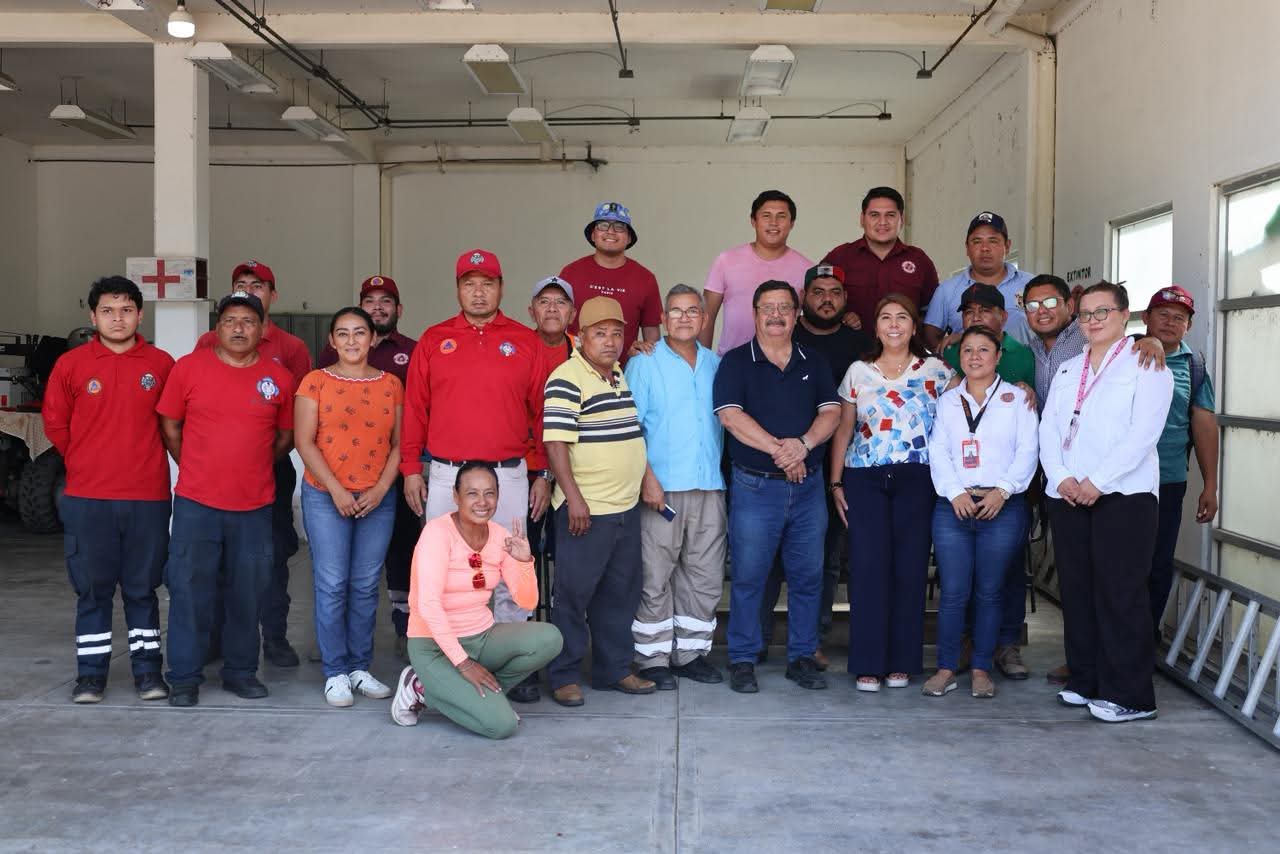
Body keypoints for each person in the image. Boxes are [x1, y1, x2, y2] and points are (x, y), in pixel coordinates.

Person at [400, 249, 552, 688]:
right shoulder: (434, 339)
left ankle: (508, 672)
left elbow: (541, 413)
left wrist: (541, 472)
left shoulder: (525, 340)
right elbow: (415, 409)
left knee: (511, 570)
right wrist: (412, 467)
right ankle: (446, 668)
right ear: (458, 289)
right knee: (444, 574)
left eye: (487, 282)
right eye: (470, 283)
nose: (479, 291)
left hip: (507, 475)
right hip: (448, 474)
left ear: (502, 288)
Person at [1022, 273, 1166, 686]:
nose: (1093, 320)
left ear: (1124, 315)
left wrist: (1097, 482)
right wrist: (1062, 477)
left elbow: (1144, 432)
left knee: (1120, 595)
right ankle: (1085, 681)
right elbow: (1048, 427)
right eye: (1086, 314)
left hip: (1123, 496)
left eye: (1103, 311)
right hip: (1067, 495)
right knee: (1079, 594)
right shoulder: (1069, 368)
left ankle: (1128, 694)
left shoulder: (1146, 363)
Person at [158, 291, 295, 707]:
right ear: (216, 328)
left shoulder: (279, 378)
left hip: (254, 507)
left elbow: (285, 437)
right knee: (188, 590)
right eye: (230, 320)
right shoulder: (188, 369)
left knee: (247, 593)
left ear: (262, 329)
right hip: (197, 504)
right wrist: (199, 466)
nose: (239, 328)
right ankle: (183, 676)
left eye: (248, 321)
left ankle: (240, 672)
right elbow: (169, 424)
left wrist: (250, 465)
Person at [42, 276, 174, 704]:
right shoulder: (72, 365)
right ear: (92, 315)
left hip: (147, 497)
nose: (117, 319)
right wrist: (86, 459)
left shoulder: (162, 363)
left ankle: (149, 674)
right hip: (88, 498)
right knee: (93, 589)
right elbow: (56, 424)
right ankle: (91, 677)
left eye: (126, 310)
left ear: (140, 313)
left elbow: (173, 424)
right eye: (107, 311)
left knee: (142, 588)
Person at [713, 280, 841, 694]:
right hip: (755, 488)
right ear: (753, 314)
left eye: (784, 307)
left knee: (808, 577)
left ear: (796, 314)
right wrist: (781, 452)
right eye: (767, 307)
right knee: (750, 576)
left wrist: (802, 445)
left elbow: (832, 412)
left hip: (808, 490)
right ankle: (744, 659)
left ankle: (801, 656)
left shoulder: (814, 361)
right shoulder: (735, 362)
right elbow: (730, 416)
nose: (776, 315)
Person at [829, 295, 952, 692]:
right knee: (867, 569)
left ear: (915, 326)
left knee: (910, 568)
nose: (894, 324)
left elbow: (970, 404)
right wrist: (835, 482)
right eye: (886, 317)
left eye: (903, 317)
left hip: (918, 478)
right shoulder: (858, 372)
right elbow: (843, 429)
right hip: (864, 478)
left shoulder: (936, 370)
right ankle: (868, 662)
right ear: (876, 326)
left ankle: (902, 660)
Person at [389, 463, 563, 738]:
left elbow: (527, 602)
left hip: (481, 637)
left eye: (489, 493)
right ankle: (420, 688)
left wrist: (524, 562)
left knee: (550, 638)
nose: (482, 502)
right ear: (456, 496)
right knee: (502, 726)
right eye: (472, 493)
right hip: (433, 646)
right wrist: (464, 664)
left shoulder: (500, 536)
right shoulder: (437, 533)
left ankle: (483, 698)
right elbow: (428, 605)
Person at [196, 260, 311, 668]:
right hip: (216, 475)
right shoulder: (209, 342)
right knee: (217, 558)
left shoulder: (292, 349)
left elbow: (298, 416)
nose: (249, 290)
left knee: (271, 556)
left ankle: (274, 637)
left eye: (258, 286)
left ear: (272, 296)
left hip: (270, 470)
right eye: (241, 284)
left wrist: (265, 459)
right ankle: (215, 638)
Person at [543, 296, 655, 706]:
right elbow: (556, 444)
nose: (609, 341)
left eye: (616, 333)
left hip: (624, 509)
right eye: (599, 333)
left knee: (620, 593)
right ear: (579, 337)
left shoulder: (617, 374)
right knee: (573, 595)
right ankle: (564, 675)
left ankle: (614, 669)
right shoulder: (567, 377)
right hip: (587, 511)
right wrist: (573, 498)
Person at [759, 263, 872, 665]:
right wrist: (789, 452)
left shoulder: (863, 342)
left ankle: (813, 639)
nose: (827, 298)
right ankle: (757, 640)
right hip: (776, 462)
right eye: (818, 291)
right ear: (802, 299)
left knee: (824, 561)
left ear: (845, 299)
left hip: (838, 466)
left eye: (835, 292)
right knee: (767, 559)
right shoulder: (786, 334)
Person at [296, 307, 404, 707]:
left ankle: (360, 667)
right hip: (326, 496)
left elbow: (399, 444)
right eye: (343, 333)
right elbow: (304, 442)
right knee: (332, 584)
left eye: (360, 332)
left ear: (373, 339)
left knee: (364, 585)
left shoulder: (391, 384)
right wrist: (337, 490)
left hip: (378, 497)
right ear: (332, 341)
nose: (352, 340)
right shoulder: (314, 382)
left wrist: (380, 488)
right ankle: (335, 671)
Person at [925, 326, 1039, 699]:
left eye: (983, 350)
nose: (974, 357)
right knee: (954, 592)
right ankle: (945, 668)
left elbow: (1028, 451)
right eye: (968, 350)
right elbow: (938, 450)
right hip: (953, 507)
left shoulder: (1017, 398)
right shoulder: (947, 400)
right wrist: (955, 492)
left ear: (998, 356)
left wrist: (1002, 491)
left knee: (990, 592)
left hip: (1001, 507)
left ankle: (980, 669)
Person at [625, 285, 727, 689]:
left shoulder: (716, 364)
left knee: (703, 574)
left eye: (692, 312)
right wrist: (647, 479)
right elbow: (630, 427)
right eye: (675, 311)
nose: (684, 318)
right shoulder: (645, 363)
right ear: (663, 319)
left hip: (708, 486)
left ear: (704, 319)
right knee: (655, 574)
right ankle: (652, 658)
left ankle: (691, 654)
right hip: (661, 489)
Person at [318, 276, 417, 661]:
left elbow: (417, 412)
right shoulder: (326, 366)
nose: (378, 307)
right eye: (369, 301)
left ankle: (405, 623)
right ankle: (333, 645)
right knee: (335, 572)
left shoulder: (413, 351)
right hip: (336, 482)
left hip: (396, 469)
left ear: (398, 309)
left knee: (401, 550)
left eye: (385, 301)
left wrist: (407, 468)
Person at [1140, 285, 1218, 634]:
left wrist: (1210, 486)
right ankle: (1100, 650)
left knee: (1157, 565)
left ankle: (1142, 643)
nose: (1170, 322)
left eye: (1179, 318)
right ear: (1146, 317)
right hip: (1115, 481)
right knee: (1113, 567)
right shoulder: (1121, 353)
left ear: (1188, 325)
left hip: (1168, 481)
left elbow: (1203, 426)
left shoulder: (1195, 365)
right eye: (1163, 314)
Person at [701, 190, 812, 354]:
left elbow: (812, 322)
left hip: (784, 368)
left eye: (781, 216)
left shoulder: (807, 269)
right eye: (766, 215)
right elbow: (706, 318)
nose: (773, 222)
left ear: (792, 223)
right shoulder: (726, 261)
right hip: (732, 364)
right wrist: (704, 363)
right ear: (753, 221)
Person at [820, 187, 939, 331]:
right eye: (874, 215)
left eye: (890, 215)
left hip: (904, 350)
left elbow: (932, 316)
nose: (882, 222)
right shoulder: (840, 257)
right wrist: (840, 316)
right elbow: (817, 303)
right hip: (850, 351)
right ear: (862, 219)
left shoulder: (920, 261)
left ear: (901, 219)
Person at [560, 202, 662, 360]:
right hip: (577, 369)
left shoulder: (645, 279)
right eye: (603, 225)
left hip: (626, 374)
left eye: (619, 227)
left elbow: (652, 339)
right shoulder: (570, 273)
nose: (611, 231)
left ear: (629, 238)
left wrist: (646, 353)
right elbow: (557, 325)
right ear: (593, 235)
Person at [923, 211, 1035, 351]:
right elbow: (930, 338)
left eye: (993, 241)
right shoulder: (947, 290)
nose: (985, 248)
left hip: (1023, 370)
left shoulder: (1032, 285)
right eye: (977, 242)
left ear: (1007, 245)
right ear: (967, 248)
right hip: (966, 370)